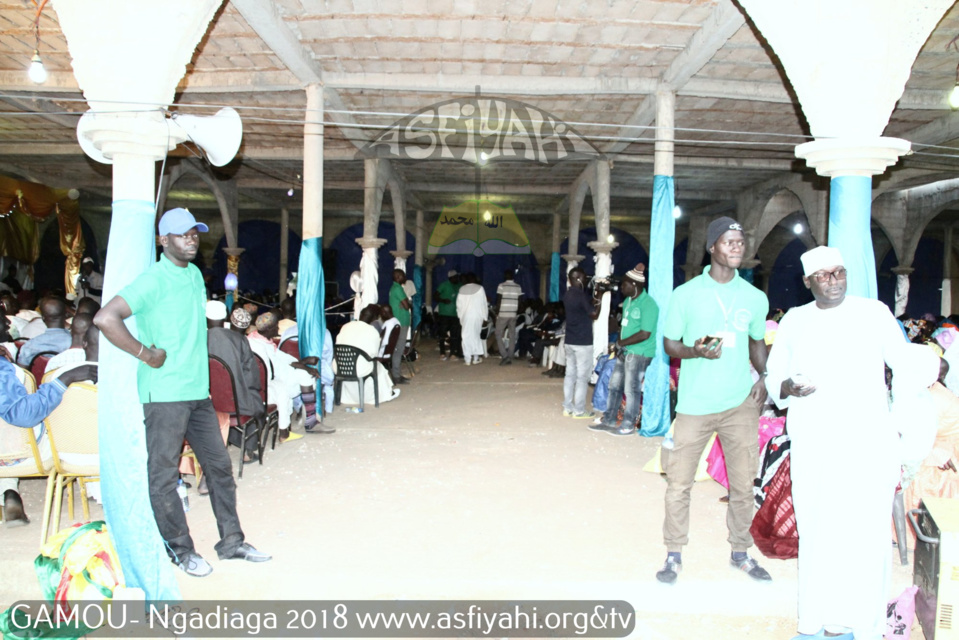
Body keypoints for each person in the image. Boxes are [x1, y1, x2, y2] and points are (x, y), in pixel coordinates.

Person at [94, 207, 270, 578]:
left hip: (197, 392)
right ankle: (180, 549)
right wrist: (145, 353)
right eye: (181, 234)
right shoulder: (152, 280)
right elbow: (105, 318)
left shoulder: (192, 275)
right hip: (164, 395)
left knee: (220, 468)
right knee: (162, 476)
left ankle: (232, 542)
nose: (191, 239)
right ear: (163, 240)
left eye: (194, 233)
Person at [765, 245, 915, 640]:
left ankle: (864, 624)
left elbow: (905, 367)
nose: (833, 281)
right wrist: (790, 388)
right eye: (823, 275)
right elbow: (774, 379)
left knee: (866, 535)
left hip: (868, 443)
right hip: (815, 443)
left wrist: (897, 423)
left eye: (839, 273)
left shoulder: (874, 313)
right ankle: (818, 621)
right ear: (807, 282)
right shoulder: (795, 321)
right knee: (818, 532)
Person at [657, 216, 771, 585]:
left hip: (739, 404)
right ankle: (673, 554)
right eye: (729, 241)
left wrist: (766, 377)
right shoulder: (686, 294)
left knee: (743, 485)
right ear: (712, 247)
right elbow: (669, 345)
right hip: (694, 404)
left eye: (741, 241)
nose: (737, 247)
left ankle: (741, 552)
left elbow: (756, 344)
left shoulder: (755, 298)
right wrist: (695, 352)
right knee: (679, 484)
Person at [0, 313, 96, 527]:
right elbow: (24, 415)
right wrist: (65, 379)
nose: (8, 323)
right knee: (59, 418)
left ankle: (8, 490)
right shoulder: (2, 368)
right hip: (16, 455)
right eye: (1, 317)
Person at [589, 263, 658, 436]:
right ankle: (610, 419)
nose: (621, 287)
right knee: (614, 385)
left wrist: (622, 343)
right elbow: (625, 326)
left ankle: (628, 424)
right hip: (625, 350)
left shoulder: (648, 305)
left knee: (631, 389)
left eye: (624, 284)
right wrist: (619, 343)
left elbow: (645, 333)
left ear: (634, 285)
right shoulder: (627, 301)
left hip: (639, 352)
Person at [336, 304, 399, 406]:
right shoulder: (371, 331)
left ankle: (347, 397)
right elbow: (374, 353)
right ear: (374, 318)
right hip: (359, 370)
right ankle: (385, 394)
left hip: (340, 366)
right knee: (379, 367)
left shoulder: (345, 326)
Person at [562, 267, 599, 419]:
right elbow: (594, 314)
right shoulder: (581, 295)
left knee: (570, 375)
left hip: (569, 340)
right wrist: (600, 299)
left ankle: (567, 407)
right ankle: (579, 410)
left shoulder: (567, 294)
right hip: (583, 342)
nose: (585, 280)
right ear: (577, 279)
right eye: (583, 278)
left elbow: (581, 308)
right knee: (582, 378)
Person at [17, 296, 72, 367]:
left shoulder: (30, 345)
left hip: (39, 378)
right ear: (66, 315)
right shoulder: (74, 343)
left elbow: (23, 373)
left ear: (43, 318)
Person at [456, 273, 488, 366]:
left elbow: (459, 306)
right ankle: (475, 358)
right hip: (477, 316)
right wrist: (485, 318)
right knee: (475, 336)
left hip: (466, 317)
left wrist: (460, 316)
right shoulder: (480, 288)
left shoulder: (462, 289)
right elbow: (484, 304)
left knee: (465, 337)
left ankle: (467, 359)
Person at [494, 269, 523, 365]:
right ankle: (510, 355)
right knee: (512, 335)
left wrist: (497, 312)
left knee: (498, 334)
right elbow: (520, 301)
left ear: (505, 276)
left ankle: (505, 356)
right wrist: (516, 312)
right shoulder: (518, 286)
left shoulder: (501, 286)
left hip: (503, 313)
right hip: (513, 314)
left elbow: (499, 300)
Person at [388, 269, 412, 382]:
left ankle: (396, 373)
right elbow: (407, 306)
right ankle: (396, 376)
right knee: (399, 349)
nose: (405, 277)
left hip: (399, 322)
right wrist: (407, 303)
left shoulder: (395, 288)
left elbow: (405, 304)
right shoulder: (397, 288)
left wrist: (406, 303)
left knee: (397, 349)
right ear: (398, 277)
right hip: (401, 322)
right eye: (403, 276)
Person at [435, 270, 461, 361]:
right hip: (444, 314)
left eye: (457, 277)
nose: (457, 278)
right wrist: (442, 300)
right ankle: (442, 353)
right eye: (455, 277)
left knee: (454, 334)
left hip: (455, 314)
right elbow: (436, 296)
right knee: (442, 334)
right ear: (450, 278)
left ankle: (452, 353)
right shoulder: (444, 285)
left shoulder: (459, 285)